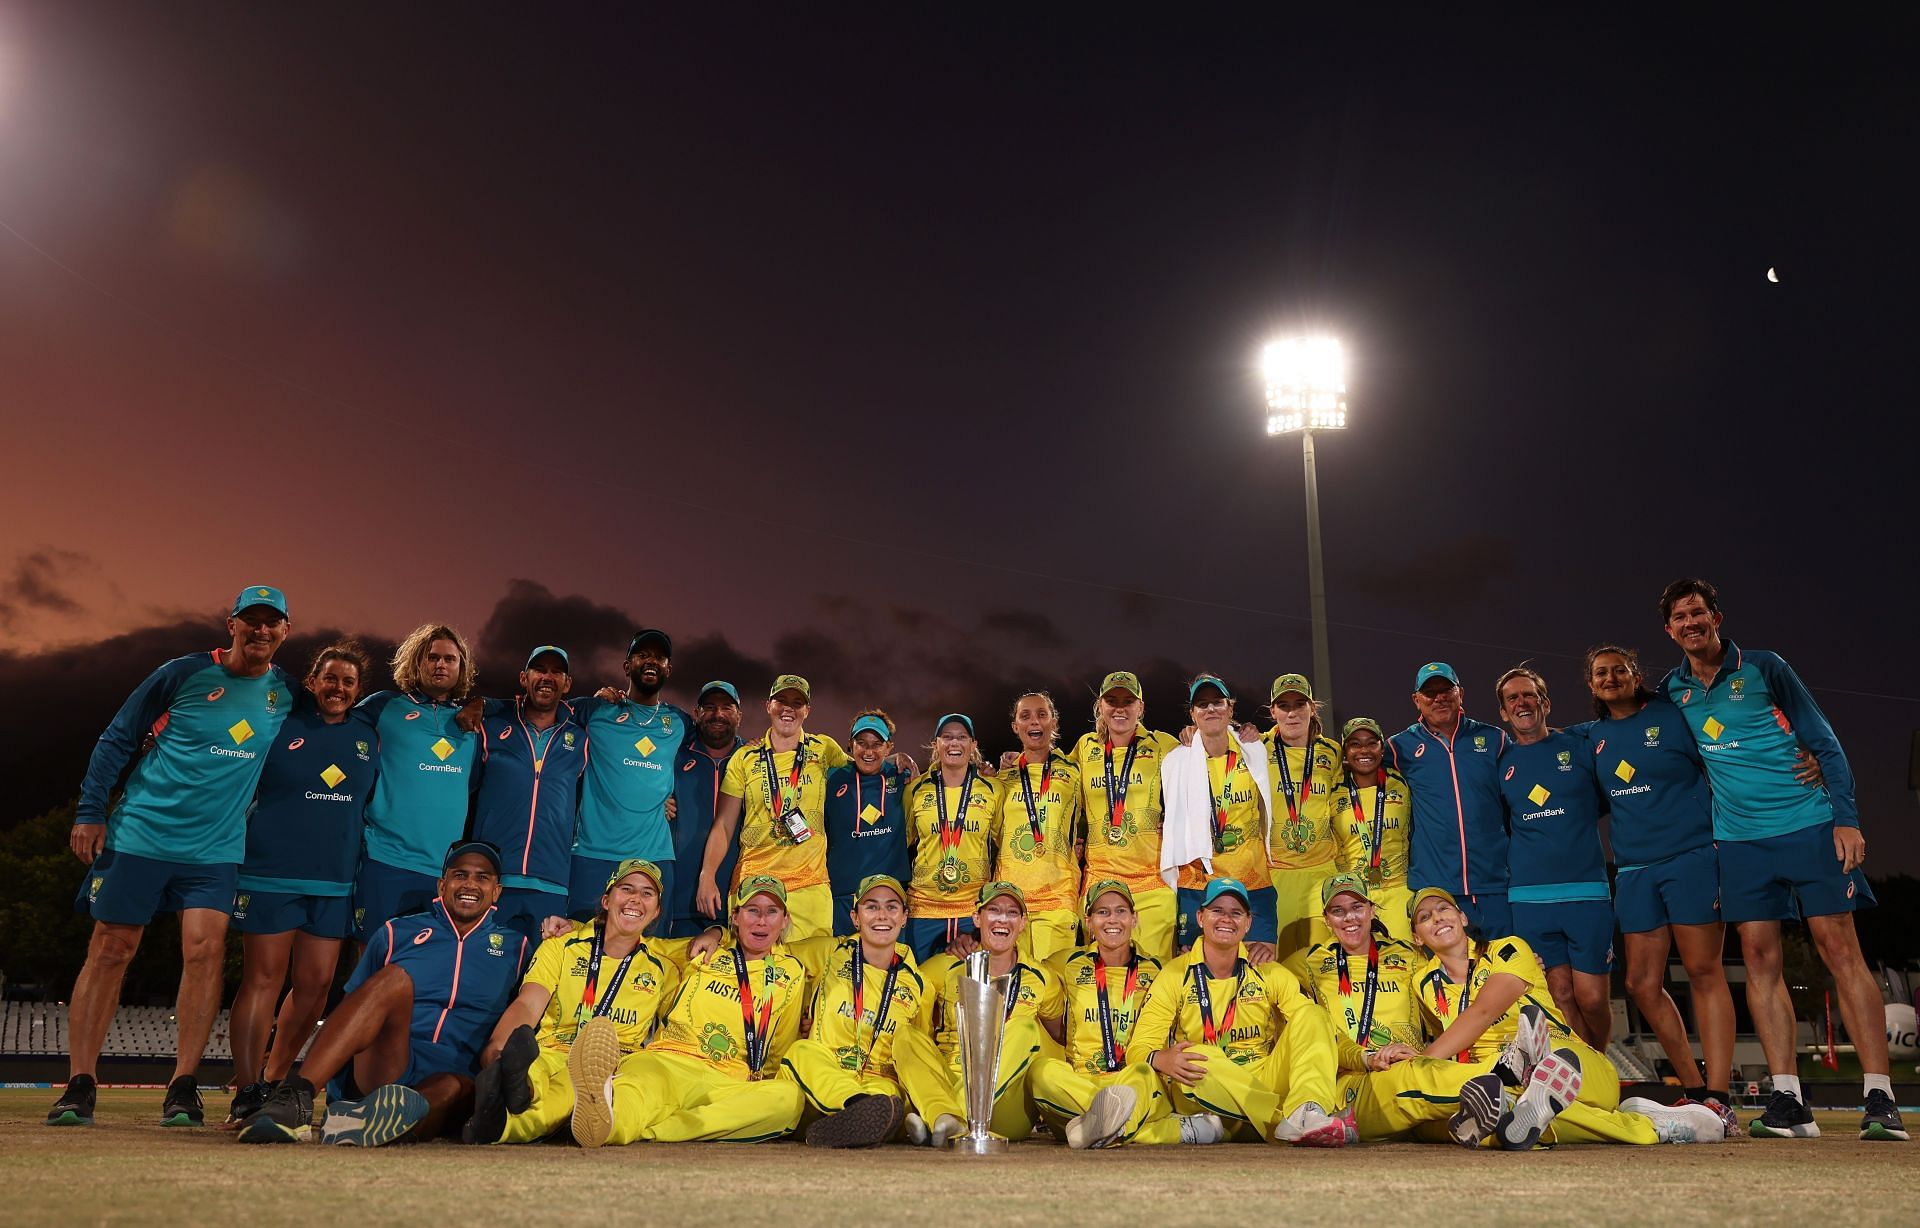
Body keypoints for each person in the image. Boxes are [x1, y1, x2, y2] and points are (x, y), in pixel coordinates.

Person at [1656, 577, 1904, 1141]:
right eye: (1680, 617)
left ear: (1716, 617)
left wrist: (1846, 818)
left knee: (1839, 949)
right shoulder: (1673, 690)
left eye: (1699, 613)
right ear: (1668, 630)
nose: (1691, 623)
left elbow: (1826, 743)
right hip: (1740, 842)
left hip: (1809, 826)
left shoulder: (1765, 667)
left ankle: (1879, 1097)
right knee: (1758, 958)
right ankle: (1789, 1102)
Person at [49, 586, 299, 1130]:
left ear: (285, 631)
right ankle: (79, 1084)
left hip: (215, 849)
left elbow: (338, 717)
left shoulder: (287, 693)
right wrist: (91, 810)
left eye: (271, 622)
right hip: (141, 835)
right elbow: (117, 737)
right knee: (112, 949)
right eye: (250, 621)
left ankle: (183, 1087)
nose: (261, 630)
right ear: (231, 624)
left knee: (206, 953)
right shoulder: (183, 673)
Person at [237, 842, 529, 1146]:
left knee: (451, 1088)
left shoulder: (517, 948)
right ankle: (296, 1097)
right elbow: (358, 1009)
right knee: (395, 978)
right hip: (390, 1060)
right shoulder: (396, 932)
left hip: (454, 1078)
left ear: (496, 891)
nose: (470, 884)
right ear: (442, 885)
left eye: (482, 877)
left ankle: (367, 1120)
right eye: (460, 875)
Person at [1409, 886, 1721, 1147]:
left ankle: (1648, 1128)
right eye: (1425, 917)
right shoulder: (1423, 982)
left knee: (1537, 1076)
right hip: (1493, 1082)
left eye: (1443, 908)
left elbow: (1483, 1011)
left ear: (1462, 917)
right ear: (1418, 938)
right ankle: (1644, 1122)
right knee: (1501, 1114)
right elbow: (1444, 1034)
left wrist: (1419, 1064)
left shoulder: (1508, 948)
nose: (1437, 917)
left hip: (1571, 1059)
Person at [1583, 644, 1740, 1136]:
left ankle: (1720, 1096)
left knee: (1701, 969)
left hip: (1690, 857)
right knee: (1640, 985)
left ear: (1636, 674)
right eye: (1600, 673)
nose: (1610, 678)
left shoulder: (1673, 717)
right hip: (1633, 869)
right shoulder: (1592, 738)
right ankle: (1693, 1091)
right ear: (1591, 686)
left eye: (1619, 670)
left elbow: (1725, 762)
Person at [225, 640, 378, 1125]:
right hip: (270, 871)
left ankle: (273, 1079)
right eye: (329, 678)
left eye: (348, 682)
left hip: (334, 880)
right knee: (264, 980)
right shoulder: (279, 722)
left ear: (358, 691)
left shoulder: (369, 735)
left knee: (315, 987)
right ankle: (245, 1088)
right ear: (311, 682)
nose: (337, 688)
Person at [569, 875, 808, 1146]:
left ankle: (656, 1129)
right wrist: (575, 927)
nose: (761, 921)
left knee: (788, 1099)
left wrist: (762, 1083)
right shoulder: (699, 950)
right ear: (736, 917)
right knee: (637, 1089)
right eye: (752, 910)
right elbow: (626, 936)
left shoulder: (791, 971)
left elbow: (780, 1044)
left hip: (727, 1081)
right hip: (668, 1062)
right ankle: (609, 1127)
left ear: (785, 920)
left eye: (771, 912)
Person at [1108, 877, 1346, 1147]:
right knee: (1197, 1056)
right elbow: (1139, 1048)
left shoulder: (1269, 972)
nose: (1226, 919)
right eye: (1217, 911)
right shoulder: (1174, 974)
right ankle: (1281, 1121)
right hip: (1207, 1090)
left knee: (1314, 1014)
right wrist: (1160, 1059)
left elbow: (1318, 1033)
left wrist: (1364, 1059)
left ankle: (1307, 1111)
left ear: (1248, 923)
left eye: (1236, 913)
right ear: (1200, 917)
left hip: (1262, 1079)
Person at [464, 859, 680, 1144]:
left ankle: (497, 1124)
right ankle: (516, 1084)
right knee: (534, 1065)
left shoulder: (663, 967)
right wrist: (496, 1048)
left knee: (569, 1091)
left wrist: (715, 931)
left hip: (607, 1064)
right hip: (554, 1047)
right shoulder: (562, 943)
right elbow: (528, 1004)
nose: (635, 899)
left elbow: (726, 942)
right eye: (626, 889)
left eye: (647, 893)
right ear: (606, 899)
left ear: (656, 912)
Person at [1295, 874, 1507, 1146]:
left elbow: (1453, 982)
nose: (1349, 918)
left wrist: (1506, 970)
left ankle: (1517, 1121)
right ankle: (1506, 1077)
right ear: (1326, 920)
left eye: (1357, 907)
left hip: (1417, 1072)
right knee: (1414, 1076)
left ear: (1371, 910)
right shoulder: (1308, 960)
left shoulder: (1408, 955)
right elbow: (1267, 986)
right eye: (1338, 911)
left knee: (1468, 1127)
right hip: (1357, 1084)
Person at [1030, 880, 1225, 1147]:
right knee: (1042, 1072)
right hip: (1082, 1084)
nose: (1113, 919)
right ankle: (1171, 1131)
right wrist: (970, 943)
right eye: (1102, 912)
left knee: (1144, 1073)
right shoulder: (1065, 963)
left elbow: (1209, 982)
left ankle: (1095, 1128)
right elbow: (1018, 966)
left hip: (1136, 1085)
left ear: (1134, 918)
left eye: (1121, 911)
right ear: (1088, 921)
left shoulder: (1159, 970)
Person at [1492, 667, 1614, 1048]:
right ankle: (1586, 1080)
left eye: (1528, 695)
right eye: (1512, 698)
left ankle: (1603, 1063)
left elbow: (1610, 798)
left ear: (1544, 703)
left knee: (1592, 998)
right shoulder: (1500, 763)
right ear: (1503, 712)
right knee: (1560, 997)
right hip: (1529, 898)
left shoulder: (1579, 744)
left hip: (1587, 891)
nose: (1521, 703)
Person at [893, 881, 1065, 1146]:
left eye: (1012, 913)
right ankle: (943, 1116)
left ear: (1022, 923)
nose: (1002, 920)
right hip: (949, 1078)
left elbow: (1062, 1035)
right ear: (977, 917)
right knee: (906, 1035)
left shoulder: (1042, 978)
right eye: (994, 910)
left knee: (1024, 1030)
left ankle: (944, 1117)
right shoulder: (944, 968)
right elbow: (905, 1011)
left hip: (1005, 1103)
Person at [351, 623, 481, 944]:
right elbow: (334, 723)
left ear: (461, 667)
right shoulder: (383, 706)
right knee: (368, 961)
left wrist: (482, 702)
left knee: (420, 972)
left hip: (441, 871)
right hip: (384, 859)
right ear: (416, 662)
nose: (441, 665)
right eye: (432, 657)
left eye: (450, 659)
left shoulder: (475, 723)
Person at [696, 674, 851, 941]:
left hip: (809, 886)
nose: (788, 708)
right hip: (754, 885)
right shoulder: (744, 758)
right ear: (768, 705)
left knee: (810, 974)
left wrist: (893, 760)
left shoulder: (824, 749)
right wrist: (707, 875)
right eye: (781, 700)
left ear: (807, 711)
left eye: (797, 702)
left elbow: (864, 767)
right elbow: (724, 824)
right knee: (750, 972)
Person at [775, 874, 924, 1147]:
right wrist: (718, 932)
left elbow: (915, 1048)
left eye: (892, 907)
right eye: (871, 907)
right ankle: (858, 1108)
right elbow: (767, 948)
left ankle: (837, 1126)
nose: (882, 915)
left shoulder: (917, 981)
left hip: (876, 1081)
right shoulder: (830, 952)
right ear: (855, 917)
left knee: (890, 1096)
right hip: (822, 1079)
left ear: (904, 917)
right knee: (801, 1052)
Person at [563, 629, 694, 919]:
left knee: (646, 954)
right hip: (593, 854)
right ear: (626, 667)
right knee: (581, 949)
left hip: (653, 857)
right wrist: (483, 705)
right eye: (642, 655)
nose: (651, 662)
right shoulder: (596, 711)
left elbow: (714, 750)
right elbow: (540, 712)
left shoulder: (680, 722)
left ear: (668, 670)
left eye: (659, 657)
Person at [469, 646, 589, 942]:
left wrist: (662, 799)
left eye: (556, 671)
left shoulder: (581, 740)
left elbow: (605, 790)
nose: (547, 677)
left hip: (551, 882)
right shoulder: (491, 728)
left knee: (538, 979)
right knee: (486, 975)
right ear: (524, 678)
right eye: (540, 670)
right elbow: (463, 789)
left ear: (567, 684)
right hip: (494, 877)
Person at [1388, 662, 1512, 938]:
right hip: (1436, 890)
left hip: (1494, 884)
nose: (1439, 698)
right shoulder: (1399, 748)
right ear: (1416, 700)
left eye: (1446, 690)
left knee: (1508, 972)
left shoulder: (1495, 739)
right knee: (1449, 978)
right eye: (1430, 693)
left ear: (1461, 694)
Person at [1160, 676, 1276, 957]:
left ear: (1230, 709)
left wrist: (1251, 731)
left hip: (1252, 881)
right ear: (1192, 714)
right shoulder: (1176, 760)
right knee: (1196, 972)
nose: (1210, 709)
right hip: (1198, 885)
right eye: (1202, 704)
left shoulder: (1255, 751)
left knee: (1259, 970)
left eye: (1217, 702)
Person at [1070, 671, 1181, 960]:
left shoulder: (1163, 745)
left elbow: (1204, 772)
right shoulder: (1084, 748)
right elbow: (1049, 775)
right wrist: (1010, 763)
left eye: (1128, 701)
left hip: (1152, 885)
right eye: (1112, 700)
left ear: (1140, 707)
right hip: (1100, 885)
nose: (1120, 708)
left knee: (1153, 977)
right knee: (1100, 981)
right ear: (1100, 706)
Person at [991, 692, 1083, 980]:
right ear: (1015, 726)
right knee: (1010, 991)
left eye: (1042, 714)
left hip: (1057, 899)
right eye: (1026, 716)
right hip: (1010, 901)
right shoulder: (1000, 780)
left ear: (1053, 722)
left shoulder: (1075, 772)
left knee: (1053, 989)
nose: (1035, 721)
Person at [902, 714, 1003, 960]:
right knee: (922, 987)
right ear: (936, 744)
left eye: (961, 737)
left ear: (973, 744)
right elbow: (899, 846)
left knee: (968, 991)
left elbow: (1004, 847)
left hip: (972, 912)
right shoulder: (915, 789)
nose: (954, 743)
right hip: (923, 910)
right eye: (947, 737)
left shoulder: (993, 789)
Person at [1262, 674, 1344, 960]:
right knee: (1276, 965)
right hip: (1276, 875)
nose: (1292, 712)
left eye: (1300, 704)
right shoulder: (1257, 749)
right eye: (1283, 705)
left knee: (1321, 963)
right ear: (1273, 712)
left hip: (1321, 873)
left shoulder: (1333, 752)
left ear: (1312, 708)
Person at [664, 681, 744, 938]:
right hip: (678, 900)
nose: (718, 714)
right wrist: (656, 803)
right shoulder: (673, 755)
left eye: (726, 708)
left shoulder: (753, 759)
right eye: (709, 707)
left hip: (736, 902)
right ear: (696, 713)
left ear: (739, 716)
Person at [1325, 717, 1415, 942]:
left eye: (1371, 743)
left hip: (1398, 891)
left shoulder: (1402, 783)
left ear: (1381, 748)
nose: (1364, 750)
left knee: (1404, 964)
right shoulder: (1333, 790)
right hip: (1355, 897)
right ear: (1345, 751)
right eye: (1355, 744)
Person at [824, 712, 913, 935]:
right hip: (842, 895)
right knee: (843, 965)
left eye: (877, 744)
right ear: (849, 745)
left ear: (889, 747)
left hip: (889, 897)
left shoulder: (904, 776)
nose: (869, 751)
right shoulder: (831, 778)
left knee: (886, 967)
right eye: (861, 743)